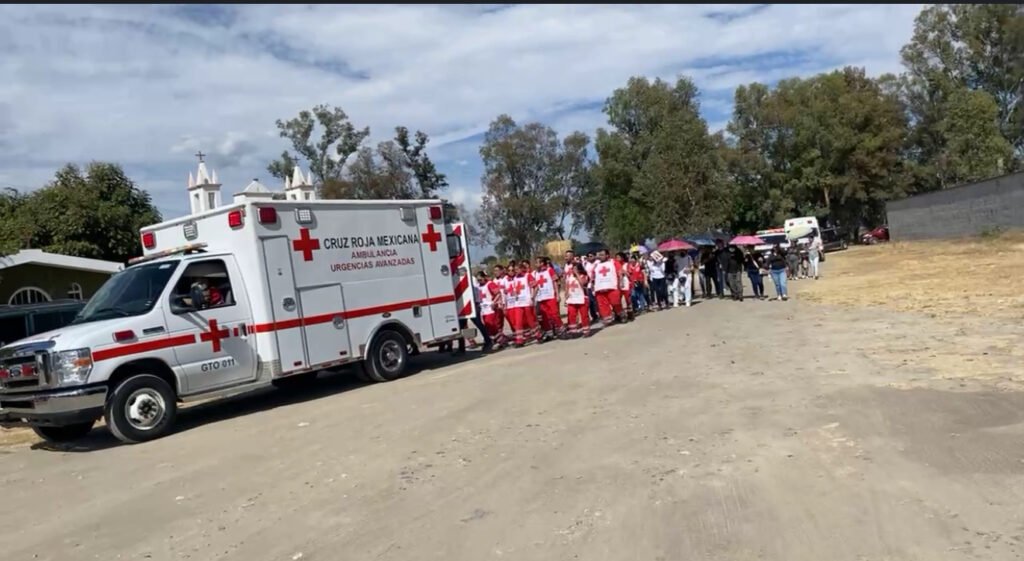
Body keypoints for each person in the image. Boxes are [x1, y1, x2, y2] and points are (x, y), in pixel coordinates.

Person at [592, 249, 625, 326]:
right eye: (599, 255)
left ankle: (621, 315)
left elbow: (620, 272)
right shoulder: (596, 265)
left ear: (607, 255)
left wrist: (621, 281)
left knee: (615, 303)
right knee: (603, 305)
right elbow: (593, 277)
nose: (600, 256)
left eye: (602, 255)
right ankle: (608, 319)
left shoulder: (613, 262)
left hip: (612, 287)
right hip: (600, 288)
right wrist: (593, 286)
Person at [534, 256, 563, 340]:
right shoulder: (535, 273)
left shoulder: (549, 270)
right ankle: (549, 333)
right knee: (545, 317)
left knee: (554, 314)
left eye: (537, 262)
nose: (536, 264)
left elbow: (555, 282)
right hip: (541, 298)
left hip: (550, 296)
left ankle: (561, 330)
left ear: (542, 263)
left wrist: (557, 294)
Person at [564, 263, 592, 338]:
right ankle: (573, 331)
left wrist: (577, 275)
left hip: (582, 298)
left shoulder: (584, 276)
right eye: (573, 269)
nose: (573, 270)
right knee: (571, 315)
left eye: (575, 269)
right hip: (572, 299)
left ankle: (586, 331)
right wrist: (566, 298)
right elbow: (567, 287)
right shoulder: (569, 277)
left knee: (584, 315)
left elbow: (583, 284)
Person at [614, 252, 634, 321]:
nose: (617, 259)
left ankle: (630, 314)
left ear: (622, 258)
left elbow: (629, 274)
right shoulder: (614, 265)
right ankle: (619, 315)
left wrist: (624, 271)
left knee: (627, 300)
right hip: (618, 284)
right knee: (617, 300)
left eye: (618, 257)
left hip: (626, 284)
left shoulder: (626, 264)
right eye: (616, 257)